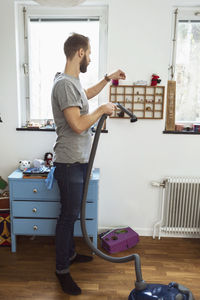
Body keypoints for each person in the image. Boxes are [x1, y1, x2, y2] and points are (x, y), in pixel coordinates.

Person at [51, 33, 126, 296]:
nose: (90, 58)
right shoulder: (63, 85)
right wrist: (101, 110)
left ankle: (70, 255)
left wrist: (107, 78)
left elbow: (86, 96)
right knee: (67, 216)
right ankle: (62, 269)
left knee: (72, 214)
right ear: (80, 52)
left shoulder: (72, 82)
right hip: (69, 163)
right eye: (90, 53)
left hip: (79, 161)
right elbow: (78, 123)